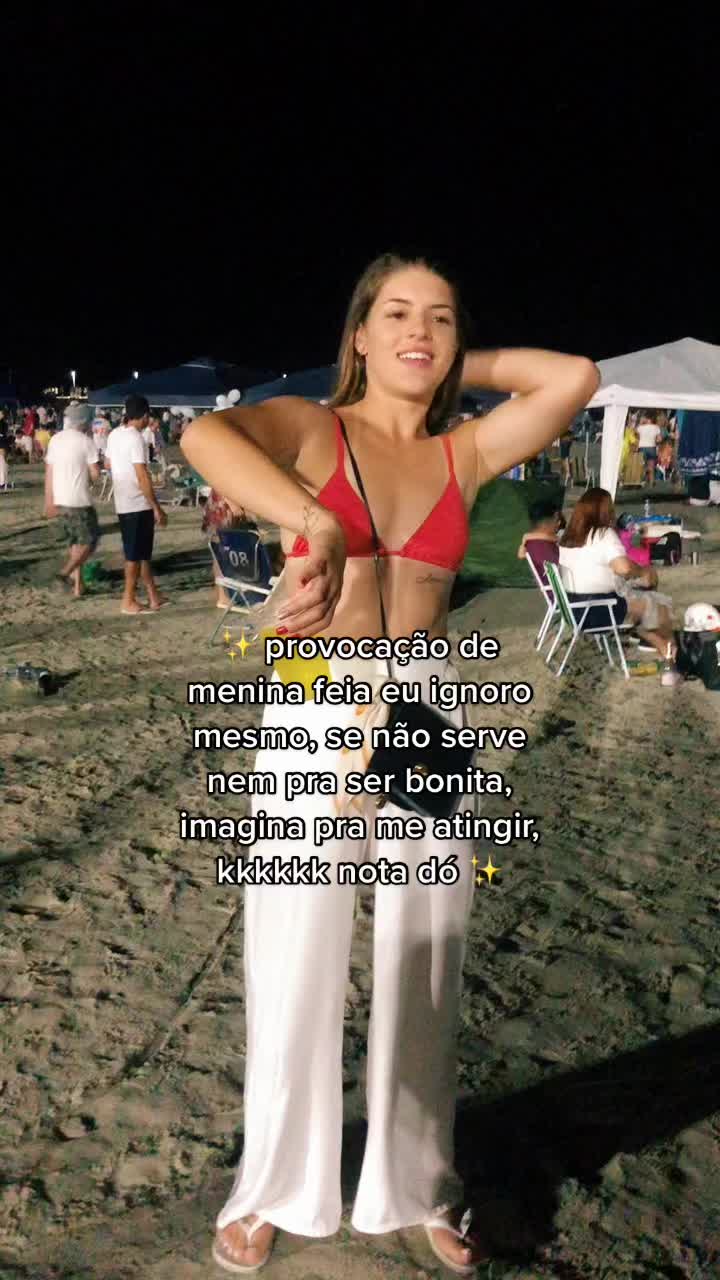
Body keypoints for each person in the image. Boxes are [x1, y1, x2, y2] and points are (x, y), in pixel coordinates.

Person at [181, 252, 600, 1274]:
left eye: (442, 319)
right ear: (358, 333)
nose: (421, 330)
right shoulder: (313, 429)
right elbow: (202, 436)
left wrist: (451, 364)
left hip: (426, 703)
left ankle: (416, 1183)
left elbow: (574, 377)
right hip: (317, 701)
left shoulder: (464, 453)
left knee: (428, 948)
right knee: (296, 953)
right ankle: (273, 1186)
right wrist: (313, 518)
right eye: (398, 314)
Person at [559, 487, 680, 679]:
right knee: (659, 603)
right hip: (599, 611)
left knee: (644, 597)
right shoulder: (603, 534)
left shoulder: (567, 537)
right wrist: (640, 571)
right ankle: (669, 658)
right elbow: (623, 568)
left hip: (573, 609)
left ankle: (651, 638)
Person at [105, 393, 168, 615]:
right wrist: (157, 507)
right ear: (144, 416)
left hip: (123, 500)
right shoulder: (136, 439)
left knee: (142, 554)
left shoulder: (114, 434)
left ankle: (153, 596)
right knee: (134, 556)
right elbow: (142, 475)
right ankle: (128, 600)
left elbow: (108, 463)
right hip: (137, 503)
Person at [43, 403, 101, 597]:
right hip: (79, 500)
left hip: (60, 499)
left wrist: (48, 500)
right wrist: (91, 479)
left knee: (75, 543)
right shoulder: (86, 442)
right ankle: (64, 574)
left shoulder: (55, 440)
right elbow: (95, 474)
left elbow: (49, 472)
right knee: (90, 541)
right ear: (84, 421)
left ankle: (78, 586)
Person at [517, 498, 565, 585]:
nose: (559, 524)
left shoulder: (533, 542)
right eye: (558, 520)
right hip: (564, 590)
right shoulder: (541, 546)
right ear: (555, 516)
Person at [636, 410, 661, 487]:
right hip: (652, 447)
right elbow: (659, 439)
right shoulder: (656, 427)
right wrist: (655, 441)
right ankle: (651, 483)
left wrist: (640, 422)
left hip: (642, 447)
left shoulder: (640, 427)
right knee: (651, 467)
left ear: (646, 418)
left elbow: (636, 434)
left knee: (641, 466)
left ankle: (640, 482)